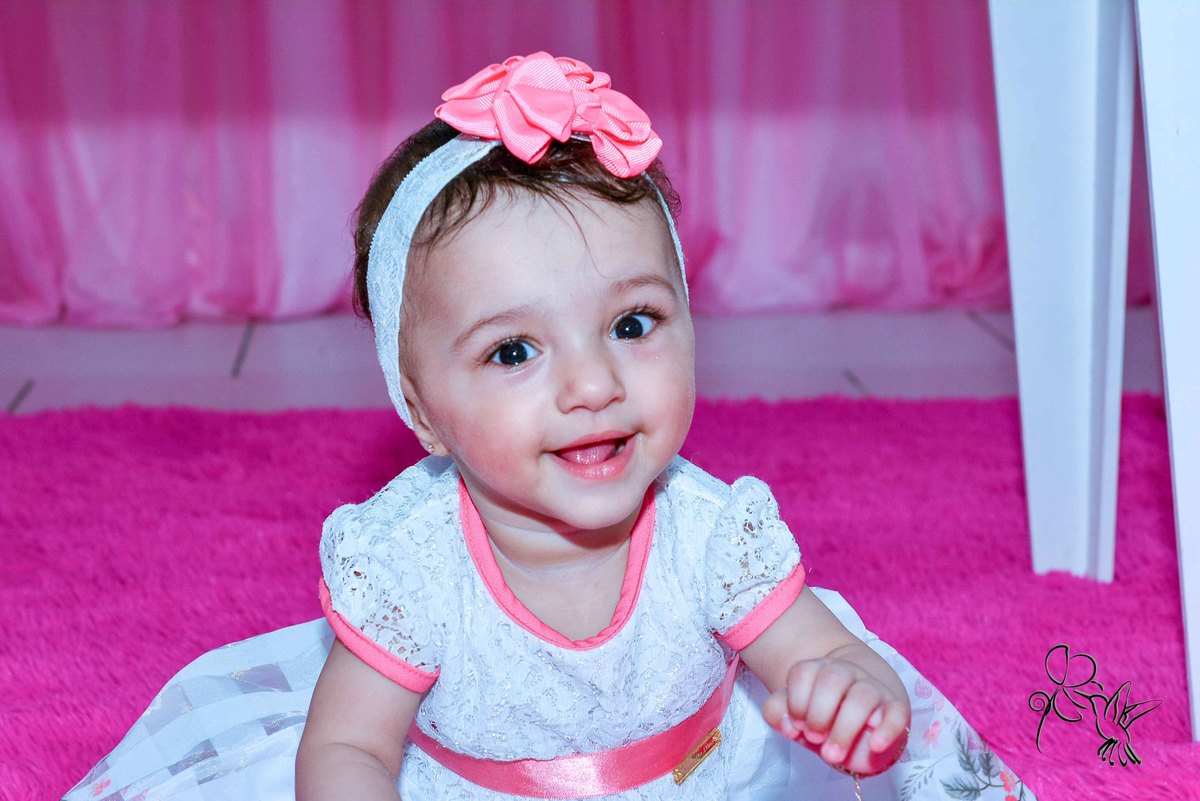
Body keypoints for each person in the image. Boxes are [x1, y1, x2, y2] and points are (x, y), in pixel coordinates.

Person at [64, 53, 1034, 801]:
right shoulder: (411, 563)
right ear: (422, 411)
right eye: (514, 352)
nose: (592, 383)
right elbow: (350, 745)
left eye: (632, 325)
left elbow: (822, 651)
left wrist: (852, 692)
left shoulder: (709, 533)